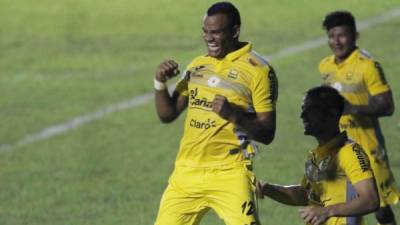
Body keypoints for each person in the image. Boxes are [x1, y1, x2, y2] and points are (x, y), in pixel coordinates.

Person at [153, 2, 278, 225]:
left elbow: (267, 133)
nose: (209, 38)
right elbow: (168, 114)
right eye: (205, 32)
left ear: (235, 31)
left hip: (230, 173)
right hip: (186, 173)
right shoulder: (198, 65)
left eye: (216, 32)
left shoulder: (258, 71)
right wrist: (160, 82)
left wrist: (234, 115)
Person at [318, 11, 398, 225]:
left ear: (355, 35)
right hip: (340, 147)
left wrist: (351, 108)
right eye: (331, 36)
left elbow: (387, 106)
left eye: (341, 36)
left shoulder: (367, 65)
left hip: (367, 146)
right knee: (350, 209)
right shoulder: (325, 66)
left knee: (380, 208)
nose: (336, 41)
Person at [257, 86, 379, 225]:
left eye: (310, 110)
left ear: (332, 114)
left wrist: (328, 211)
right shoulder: (317, 155)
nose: (303, 115)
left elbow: (370, 199)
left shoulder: (349, 152)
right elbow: (305, 195)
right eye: (303, 109)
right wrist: (269, 189)